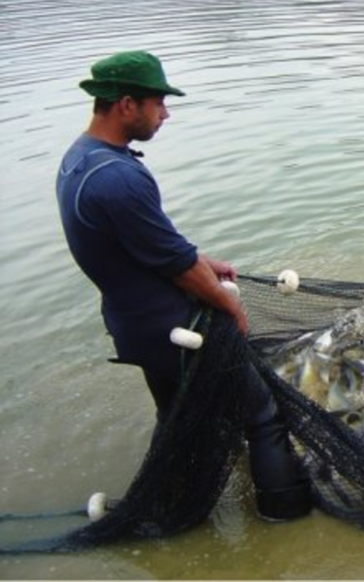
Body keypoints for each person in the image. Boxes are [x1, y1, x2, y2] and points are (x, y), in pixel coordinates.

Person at [56, 50, 311, 521]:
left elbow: (149, 245)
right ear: (126, 104)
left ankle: (174, 505)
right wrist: (228, 307)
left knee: (177, 417)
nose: (166, 113)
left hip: (137, 325)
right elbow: (174, 262)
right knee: (262, 416)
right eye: (159, 103)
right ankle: (287, 515)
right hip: (180, 329)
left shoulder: (81, 158)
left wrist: (204, 261)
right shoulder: (117, 179)